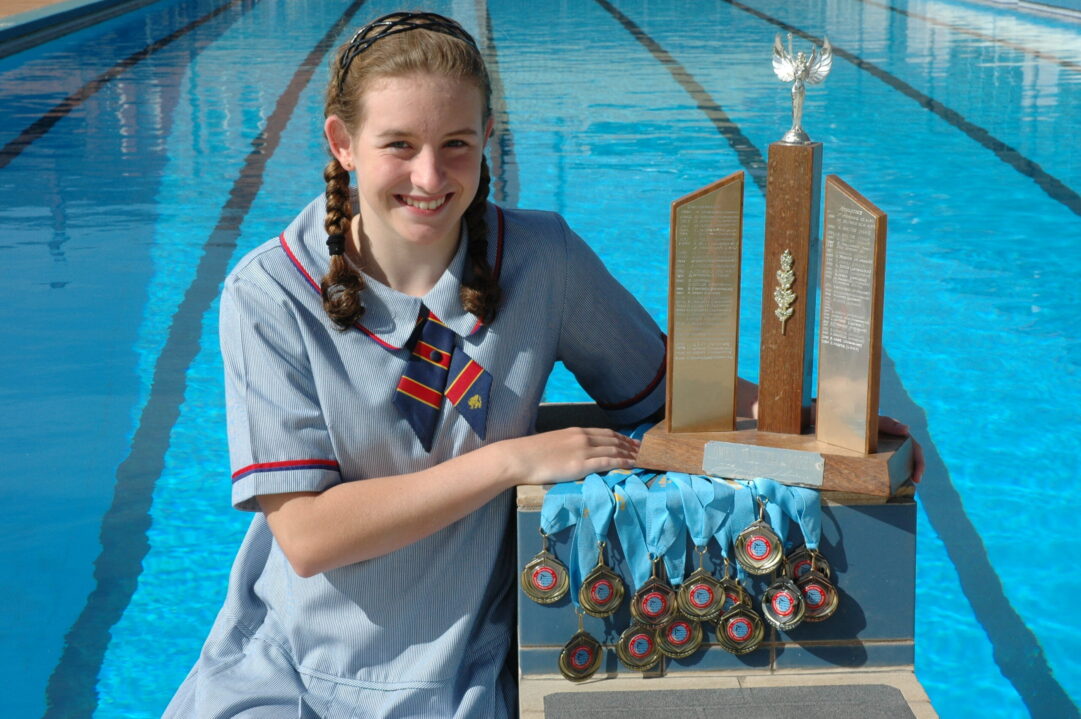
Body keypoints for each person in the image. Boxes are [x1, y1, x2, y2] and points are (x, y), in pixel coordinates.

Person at [164, 12, 668, 718]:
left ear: (487, 138)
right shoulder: (270, 292)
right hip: (292, 674)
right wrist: (507, 461)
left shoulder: (541, 260)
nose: (429, 177)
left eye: (455, 144)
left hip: (464, 671)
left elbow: (670, 394)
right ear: (343, 143)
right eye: (398, 144)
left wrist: (825, 416)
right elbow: (307, 536)